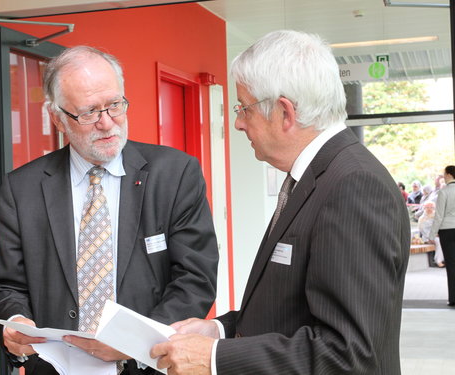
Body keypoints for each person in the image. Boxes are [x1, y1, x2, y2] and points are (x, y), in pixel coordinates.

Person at [150, 30, 410, 375]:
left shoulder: (353, 185)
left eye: (244, 108)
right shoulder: (320, 176)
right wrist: (221, 330)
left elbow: (349, 354)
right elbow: (292, 310)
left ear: (285, 112)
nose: (239, 123)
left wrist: (214, 358)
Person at [0, 46, 219, 375]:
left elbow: (195, 279)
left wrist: (132, 343)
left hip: (151, 367)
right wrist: (14, 322)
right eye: (89, 113)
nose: (107, 123)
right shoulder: (21, 188)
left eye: (114, 105)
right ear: (57, 119)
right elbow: (8, 286)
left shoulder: (176, 173)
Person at [429, 165, 455, 306]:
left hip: (447, 230)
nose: (443, 176)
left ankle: (453, 298)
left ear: (450, 175)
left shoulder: (444, 192)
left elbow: (438, 216)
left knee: (451, 265)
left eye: (445, 174)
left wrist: (432, 234)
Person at [418, 201, 445, 267]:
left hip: (438, 235)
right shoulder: (422, 218)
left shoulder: (437, 216)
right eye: (427, 207)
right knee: (439, 241)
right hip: (428, 237)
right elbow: (423, 230)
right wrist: (432, 236)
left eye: (431, 207)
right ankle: (438, 260)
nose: (429, 209)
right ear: (424, 208)